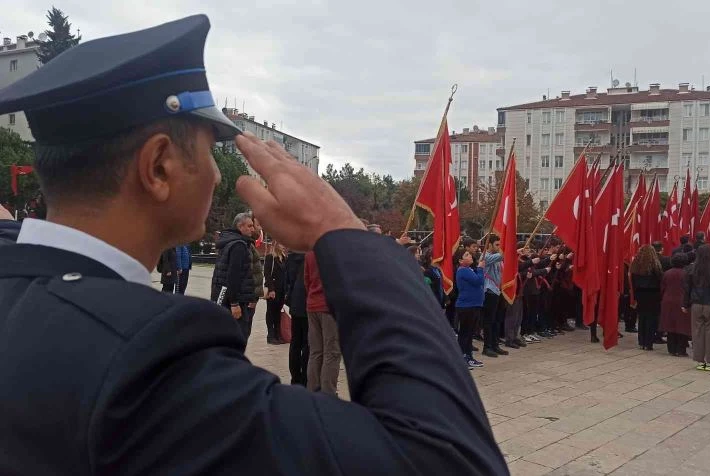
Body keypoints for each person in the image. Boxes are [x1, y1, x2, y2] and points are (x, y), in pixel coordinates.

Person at [0, 15, 508, 474]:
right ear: (159, 167)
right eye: (209, 149)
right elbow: (448, 459)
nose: (220, 172)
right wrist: (346, 235)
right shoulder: (147, 360)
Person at [211, 213, 257, 346]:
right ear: (240, 226)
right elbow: (233, 275)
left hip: (222, 295)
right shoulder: (238, 245)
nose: (252, 229)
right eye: (249, 226)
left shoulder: (228, 241)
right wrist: (234, 303)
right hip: (233, 299)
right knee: (237, 338)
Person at [304, 249, 341, 395]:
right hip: (330, 306)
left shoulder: (310, 252)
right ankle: (328, 393)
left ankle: (313, 389)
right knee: (332, 352)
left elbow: (306, 280)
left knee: (316, 351)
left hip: (312, 304)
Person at [629, 245, 663, 351]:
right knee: (651, 319)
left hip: (640, 294)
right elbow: (660, 279)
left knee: (642, 318)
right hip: (653, 295)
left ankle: (641, 341)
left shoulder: (635, 265)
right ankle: (648, 343)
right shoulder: (655, 266)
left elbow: (633, 282)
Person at [456, 250, 485, 368]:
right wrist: (480, 268)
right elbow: (479, 281)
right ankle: (462, 357)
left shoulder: (469, 270)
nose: (470, 256)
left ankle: (469, 356)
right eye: (466, 255)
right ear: (460, 261)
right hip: (466, 306)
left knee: (469, 333)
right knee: (465, 333)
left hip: (473, 305)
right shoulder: (463, 270)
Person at [285, 251, 309, 386]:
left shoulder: (291, 257)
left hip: (295, 302)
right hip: (308, 303)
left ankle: (295, 378)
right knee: (307, 344)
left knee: (295, 343)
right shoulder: (312, 256)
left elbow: (287, 280)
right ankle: (305, 378)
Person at [660, 253, 690, 356]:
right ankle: (681, 350)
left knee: (670, 325)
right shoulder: (687, 274)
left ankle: (671, 349)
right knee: (682, 326)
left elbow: (662, 288)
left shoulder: (667, 273)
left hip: (668, 300)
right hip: (682, 301)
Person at [264, 242, 288, 344]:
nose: (283, 245)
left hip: (282, 289)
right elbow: (267, 274)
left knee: (278, 312)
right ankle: (270, 335)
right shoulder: (270, 257)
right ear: (276, 245)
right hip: (273, 289)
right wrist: (271, 289)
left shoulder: (284, 257)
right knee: (271, 311)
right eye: (281, 243)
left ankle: (278, 334)